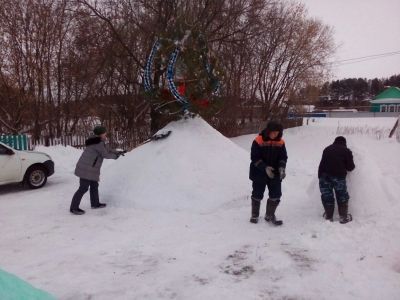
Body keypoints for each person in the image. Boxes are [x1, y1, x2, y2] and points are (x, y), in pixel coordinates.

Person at [69, 126, 124, 215]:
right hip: (86, 169)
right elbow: (105, 154)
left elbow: (107, 150)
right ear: (100, 134)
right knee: (83, 188)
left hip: (90, 168)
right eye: (104, 133)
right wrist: (116, 156)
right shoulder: (98, 143)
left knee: (94, 185)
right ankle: (73, 208)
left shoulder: (97, 141)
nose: (106, 134)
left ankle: (95, 204)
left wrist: (118, 152)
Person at [249, 121, 288, 225]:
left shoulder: (281, 142)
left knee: (276, 194)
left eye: (277, 132)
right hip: (259, 172)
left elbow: (283, 157)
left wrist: (281, 168)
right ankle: (254, 215)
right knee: (257, 193)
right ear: (268, 131)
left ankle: (270, 215)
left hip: (274, 173)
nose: (275, 134)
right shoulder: (258, 140)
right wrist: (265, 167)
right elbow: (254, 157)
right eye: (273, 132)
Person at [318, 136, 355, 224]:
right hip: (338, 177)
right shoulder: (346, 151)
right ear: (344, 143)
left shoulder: (327, 149)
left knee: (327, 196)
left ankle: (329, 216)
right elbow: (351, 167)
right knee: (342, 196)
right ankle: (343, 217)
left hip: (324, 176)